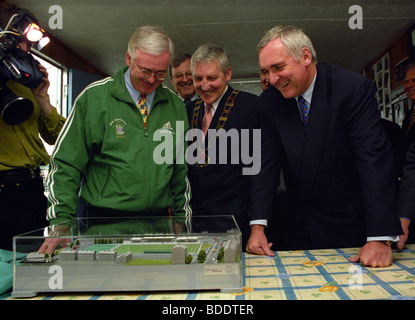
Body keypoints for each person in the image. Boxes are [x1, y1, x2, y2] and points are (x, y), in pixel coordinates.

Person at [247, 25, 402, 267]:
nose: (272, 80)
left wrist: (380, 238)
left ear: (306, 57)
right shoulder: (270, 102)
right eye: (266, 71)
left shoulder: (350, 89)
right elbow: (263, 164)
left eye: (278, 68)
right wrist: (257, 227)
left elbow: (373, 160)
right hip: (296, 228)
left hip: (350, 227)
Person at [39, 26, 192, 254]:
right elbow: (66, 165)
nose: (152, 80)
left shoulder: (175, 105)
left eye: (160, 73)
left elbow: (180, 172)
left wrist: (182, 221)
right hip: (103, 225)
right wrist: (61, 223)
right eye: (146, 71)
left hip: (159, 225)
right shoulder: (94, 98)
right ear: (129, 58)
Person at [0, 2, 65, 251]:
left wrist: (43, 99)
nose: (29, 49)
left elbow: (59, 138)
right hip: (3, 187)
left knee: (30, 262)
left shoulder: (27, 83)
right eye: (24, 42)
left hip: (30, 188)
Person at [186, 43, 260, 249]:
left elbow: (258, 171)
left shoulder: (251, 106)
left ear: (227, 74)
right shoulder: (189, 109)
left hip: (236, 220)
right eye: (198, 78)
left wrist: (257, 225)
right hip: (196, 222)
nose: (205, 85)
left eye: (211, 78)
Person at [397, 64, 415, 249]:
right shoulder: (410, 115)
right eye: (406, 81)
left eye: (414, 81)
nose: (409, 85)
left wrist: (404, 217)